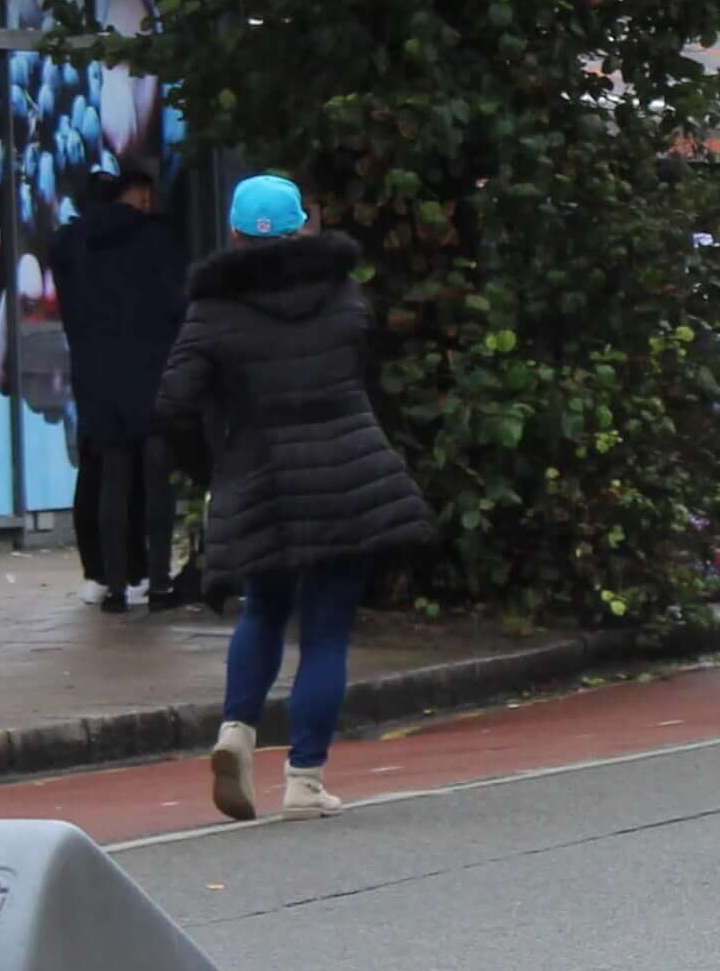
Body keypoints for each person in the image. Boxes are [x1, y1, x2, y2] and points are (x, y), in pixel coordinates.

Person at [156, 174, 435, 816]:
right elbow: (375, 373)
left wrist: (214, 469)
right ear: (304, 227)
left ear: (232, 233)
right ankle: (305, 781)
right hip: (347, 470)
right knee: (328, 632)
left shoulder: (213, 309)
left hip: (262, 476)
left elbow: (173, 404)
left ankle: (236, 730)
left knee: (263, 609)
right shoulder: (343, 294)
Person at [49, 159, 189, 613]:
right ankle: (160, 582)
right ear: (143, 195)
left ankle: (112, 587)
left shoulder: (73, 245)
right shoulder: (157, 241)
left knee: (112, 479)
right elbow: (178, 306)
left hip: (98, 378)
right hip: (152, 376)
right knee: (156, 483)